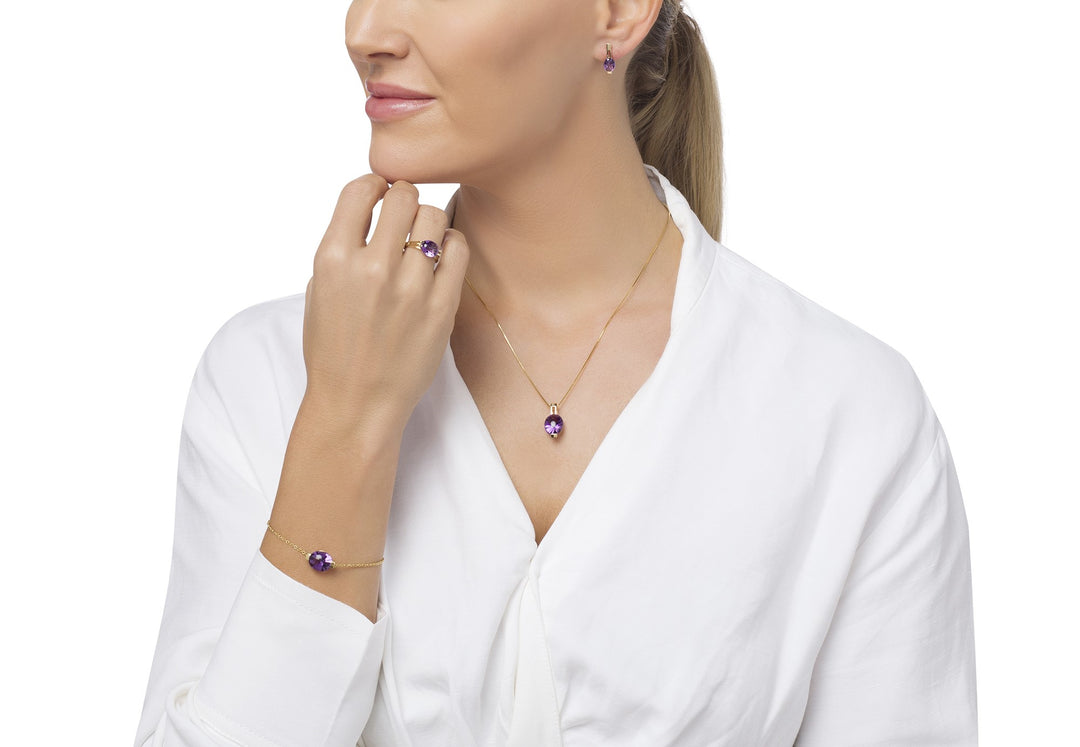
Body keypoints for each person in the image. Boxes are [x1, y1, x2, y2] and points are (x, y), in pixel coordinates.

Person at [134, 1, 978, 745]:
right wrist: (346, 425)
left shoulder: (849, 415)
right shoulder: (262, 379)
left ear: (617, 11)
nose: (364, 30)